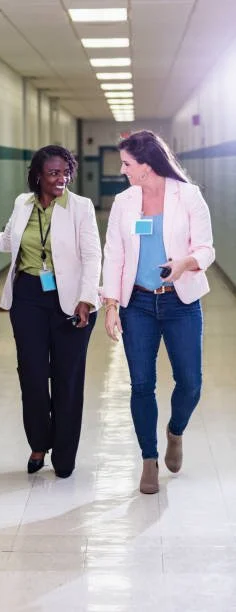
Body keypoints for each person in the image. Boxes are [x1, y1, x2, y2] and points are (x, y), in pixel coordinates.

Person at [0, 145, 102, 478]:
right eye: (53, 172)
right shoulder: (22, 203)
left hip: (71, 301)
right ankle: (39, 444)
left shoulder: (80, 207)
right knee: (32, 375)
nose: (61, 178)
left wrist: (86, 298)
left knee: (68, 379)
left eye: (65, 171)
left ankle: (65, 453)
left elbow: (92, 256)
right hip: (28, 297)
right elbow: (6, 242)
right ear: (38, 175)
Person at [102, 130, 215, 494]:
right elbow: (115, 254)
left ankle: (175, 431)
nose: (122, 170)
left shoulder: (188, 195)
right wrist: (111, 304)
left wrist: (185, 263)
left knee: (191, 382)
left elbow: (207, 248)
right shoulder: (124, 201)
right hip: (138, 303)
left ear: (147, 166)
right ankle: (149, 459)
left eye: (127, 164)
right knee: (141, 384)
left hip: (180, 301)